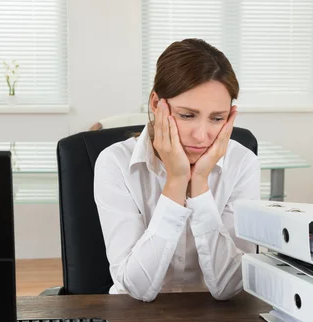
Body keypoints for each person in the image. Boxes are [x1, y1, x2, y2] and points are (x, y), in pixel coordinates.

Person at [93, 38, 260, 302]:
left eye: (217, 119)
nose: (201, 135)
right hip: (134, 317)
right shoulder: (114, 163)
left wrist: (200, 184)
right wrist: (177, 181)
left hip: (216, 320)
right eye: (187, 115)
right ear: (156, 103)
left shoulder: (242, 164)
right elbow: (136, 288)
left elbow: (230, 287)